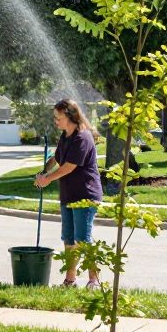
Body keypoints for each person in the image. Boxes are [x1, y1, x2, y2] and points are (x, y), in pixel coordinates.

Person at [33, 99, 103, 289]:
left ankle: (94, 281)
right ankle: (70, 281)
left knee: (83, 239)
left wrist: (47, 179)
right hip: (69, 195)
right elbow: (56, 157)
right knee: (69, 239)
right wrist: (43, 171)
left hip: (85, 196)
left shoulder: (83, 137)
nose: (55, 121)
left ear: (69, 116)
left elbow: (69, 167)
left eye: (58, 117)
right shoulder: (66, 135)